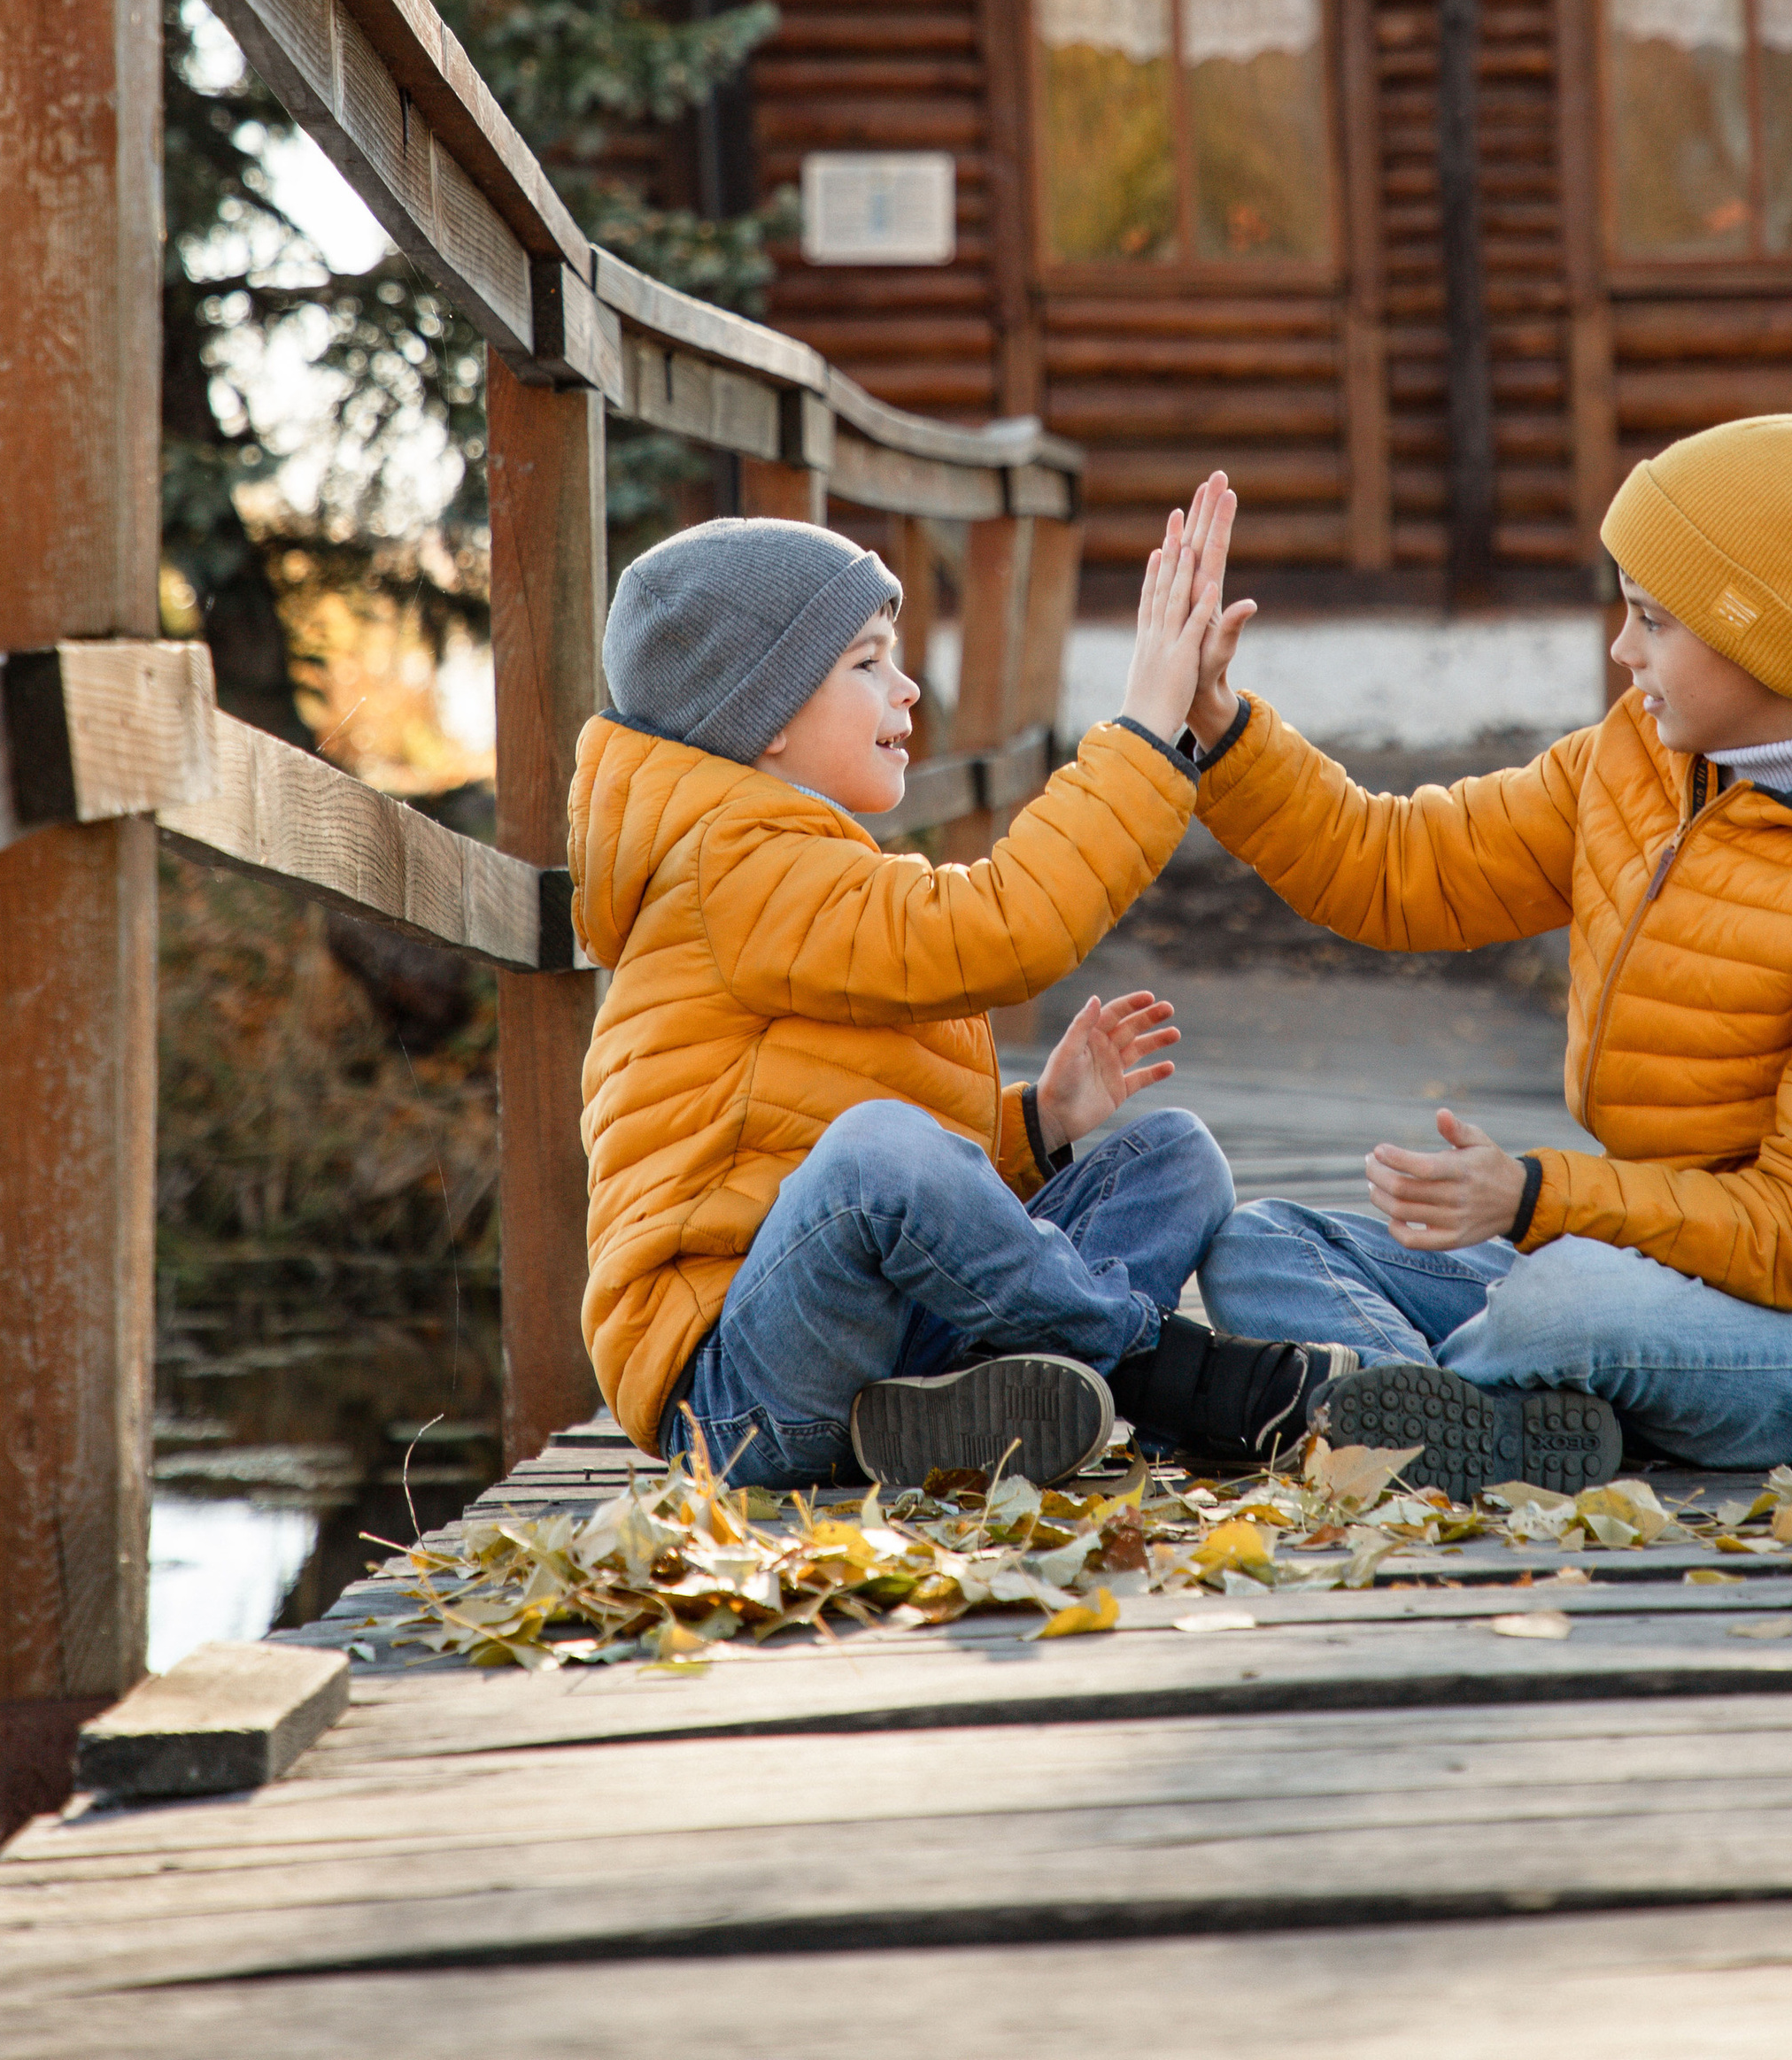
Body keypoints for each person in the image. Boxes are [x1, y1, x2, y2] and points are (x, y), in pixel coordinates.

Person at [1172, 420, 1792, 1494]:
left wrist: (1537, 1197)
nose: (1621, 652)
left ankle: (1371, 1412)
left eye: (1651, 620)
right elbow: (1401, 866)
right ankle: (1454, 1422)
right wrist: (1220, 727)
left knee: (1563, 1302)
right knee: (1263, 1243)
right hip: (1648, 1266)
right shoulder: (1636, 762)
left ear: (1760, 642)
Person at [568, 505, 1353, 1489]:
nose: (907, 689)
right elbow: (1004, 925)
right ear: (759, 715)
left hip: (880, 1342)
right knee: (874, 1150)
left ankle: (1001, 1396)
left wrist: (1040, 1125)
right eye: (865, 663)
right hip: (739, 1391)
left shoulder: (790, 862)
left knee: (1171, 1156)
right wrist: (1148, 731)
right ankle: (1158, 1371)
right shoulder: (733, 869)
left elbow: (817, 1137)